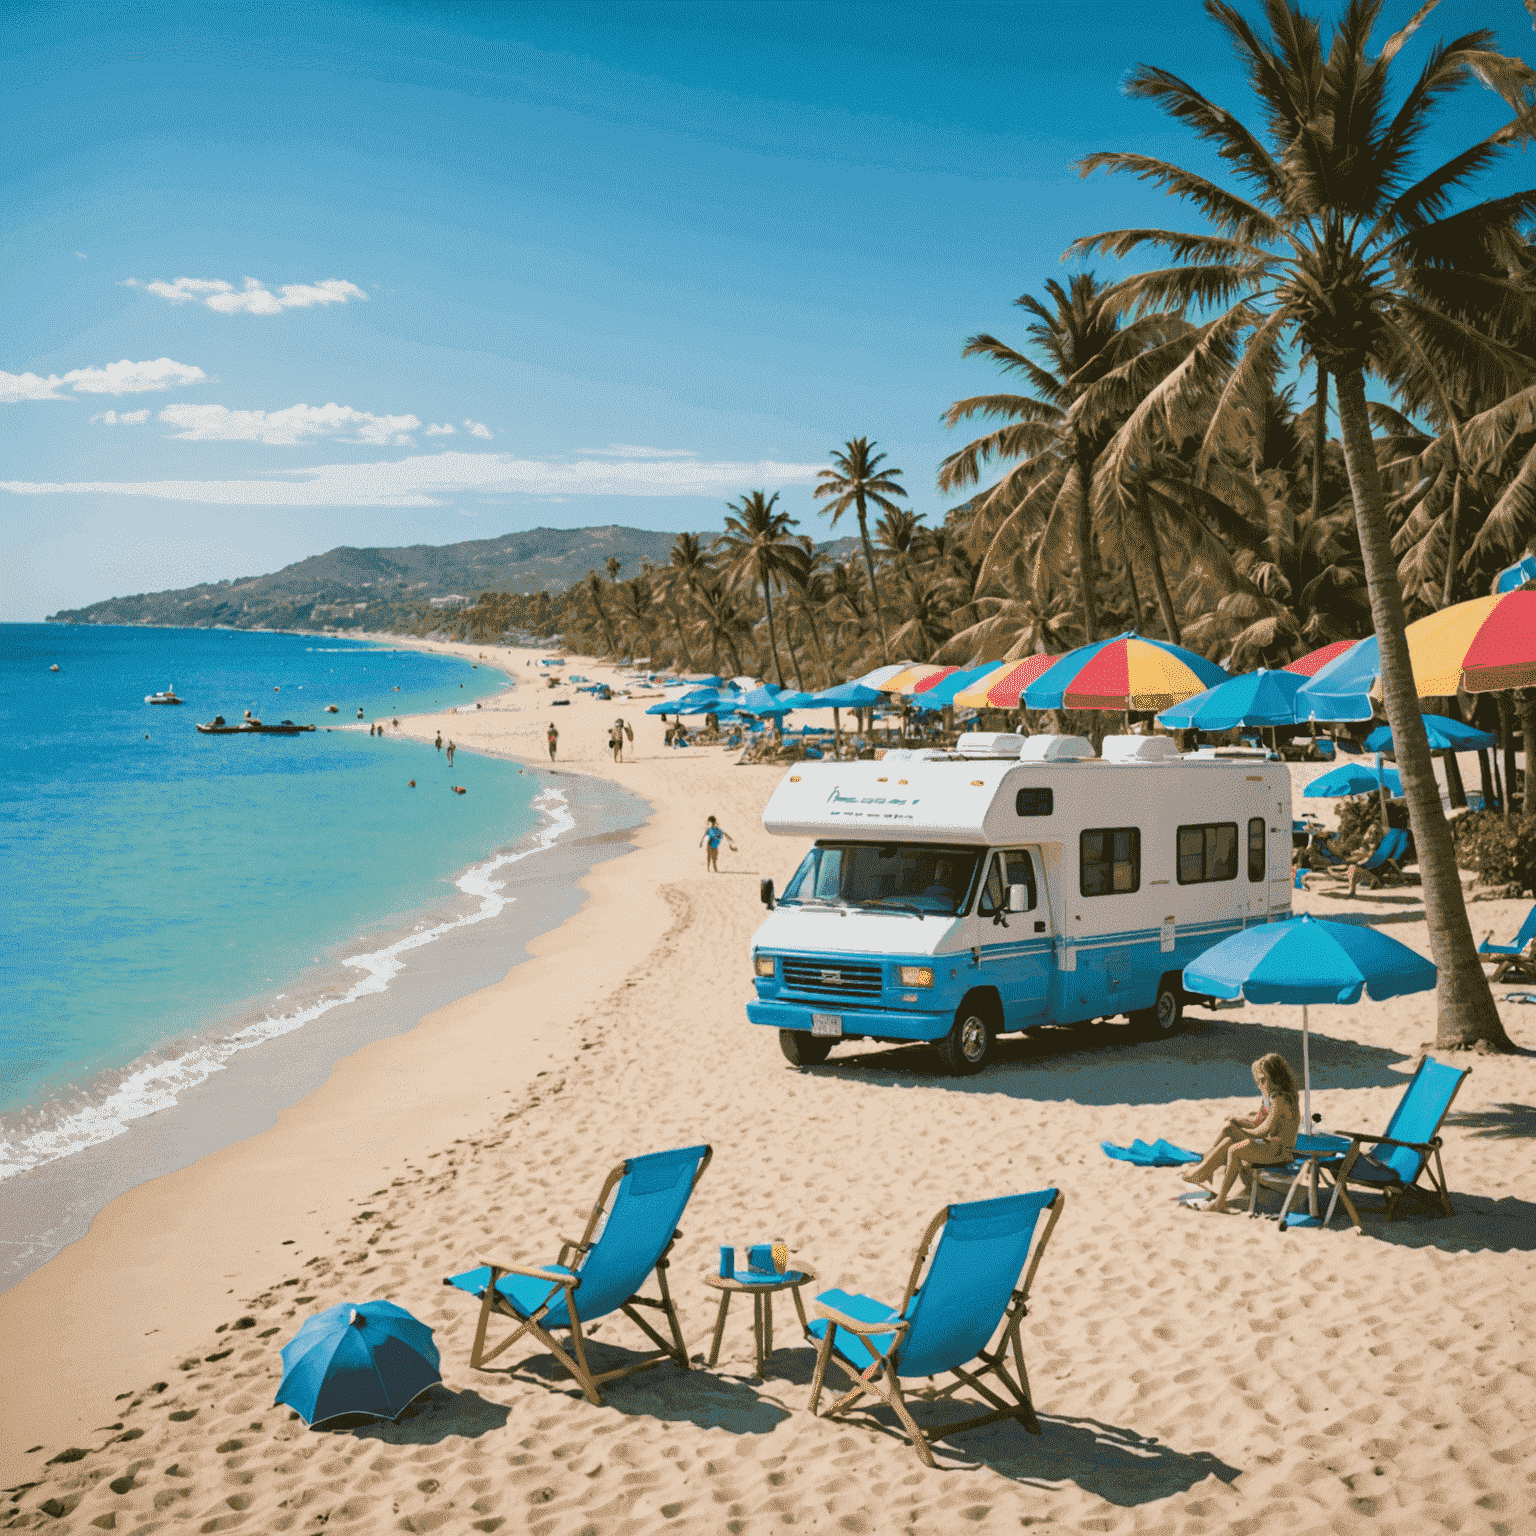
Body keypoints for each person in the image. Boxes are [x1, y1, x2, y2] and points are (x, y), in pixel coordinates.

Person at [1182, 1053, 1302, 1212]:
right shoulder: (1273, 1098)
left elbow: (1265, 1129)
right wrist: (1238, 1121)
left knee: (1234, 1146)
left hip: (1279, 1152)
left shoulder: (1281, 1100)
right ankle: (1206, 1170)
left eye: (1263, 1080)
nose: (1260, 1085)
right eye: (1259, 1081)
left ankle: (1216, 1192)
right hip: (1271, 1147)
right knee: (1230, 1133)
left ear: (1275, 1078)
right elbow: (1257, 1122)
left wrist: (1243, 1132)